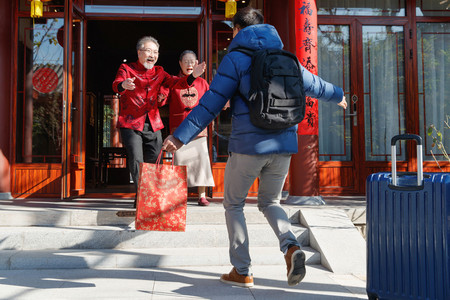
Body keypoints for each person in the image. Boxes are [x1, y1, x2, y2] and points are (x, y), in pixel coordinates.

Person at [162, 7, 347, 287]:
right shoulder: (288, 59)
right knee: (270, 202)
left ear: (237, 30)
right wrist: (340, 96)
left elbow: (210, 103)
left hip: (249, 146)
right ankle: (291, 247)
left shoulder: (234, 59)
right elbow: (316, 86)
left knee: (234, 204)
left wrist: (179, 136)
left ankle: (242, 269)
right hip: (284, 145)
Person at [112, 36, 205, 208]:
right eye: (148, 51)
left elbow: (177, 83)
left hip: (153, 123)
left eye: (155, 52)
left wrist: (192, 77)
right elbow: (116, 84)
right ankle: (142, 198)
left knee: (155, 161)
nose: (152, 55)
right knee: (137, 161)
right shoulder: (126, 68)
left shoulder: (160, 72)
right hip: (131, 123)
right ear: (139, 52)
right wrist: (123, 85)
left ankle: (149, 196)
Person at [159, 50, 215, 206]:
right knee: (180, 162)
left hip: (198, 128)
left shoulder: (203, 83)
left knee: (201, 161)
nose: (189, 64)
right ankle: (179, 195)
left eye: (192, 61)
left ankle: (202, 195)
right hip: (179, 128)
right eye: (186, 61)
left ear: (197, 64)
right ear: (180, 64)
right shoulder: (174, 81)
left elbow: (210, 101)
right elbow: (162, 100)